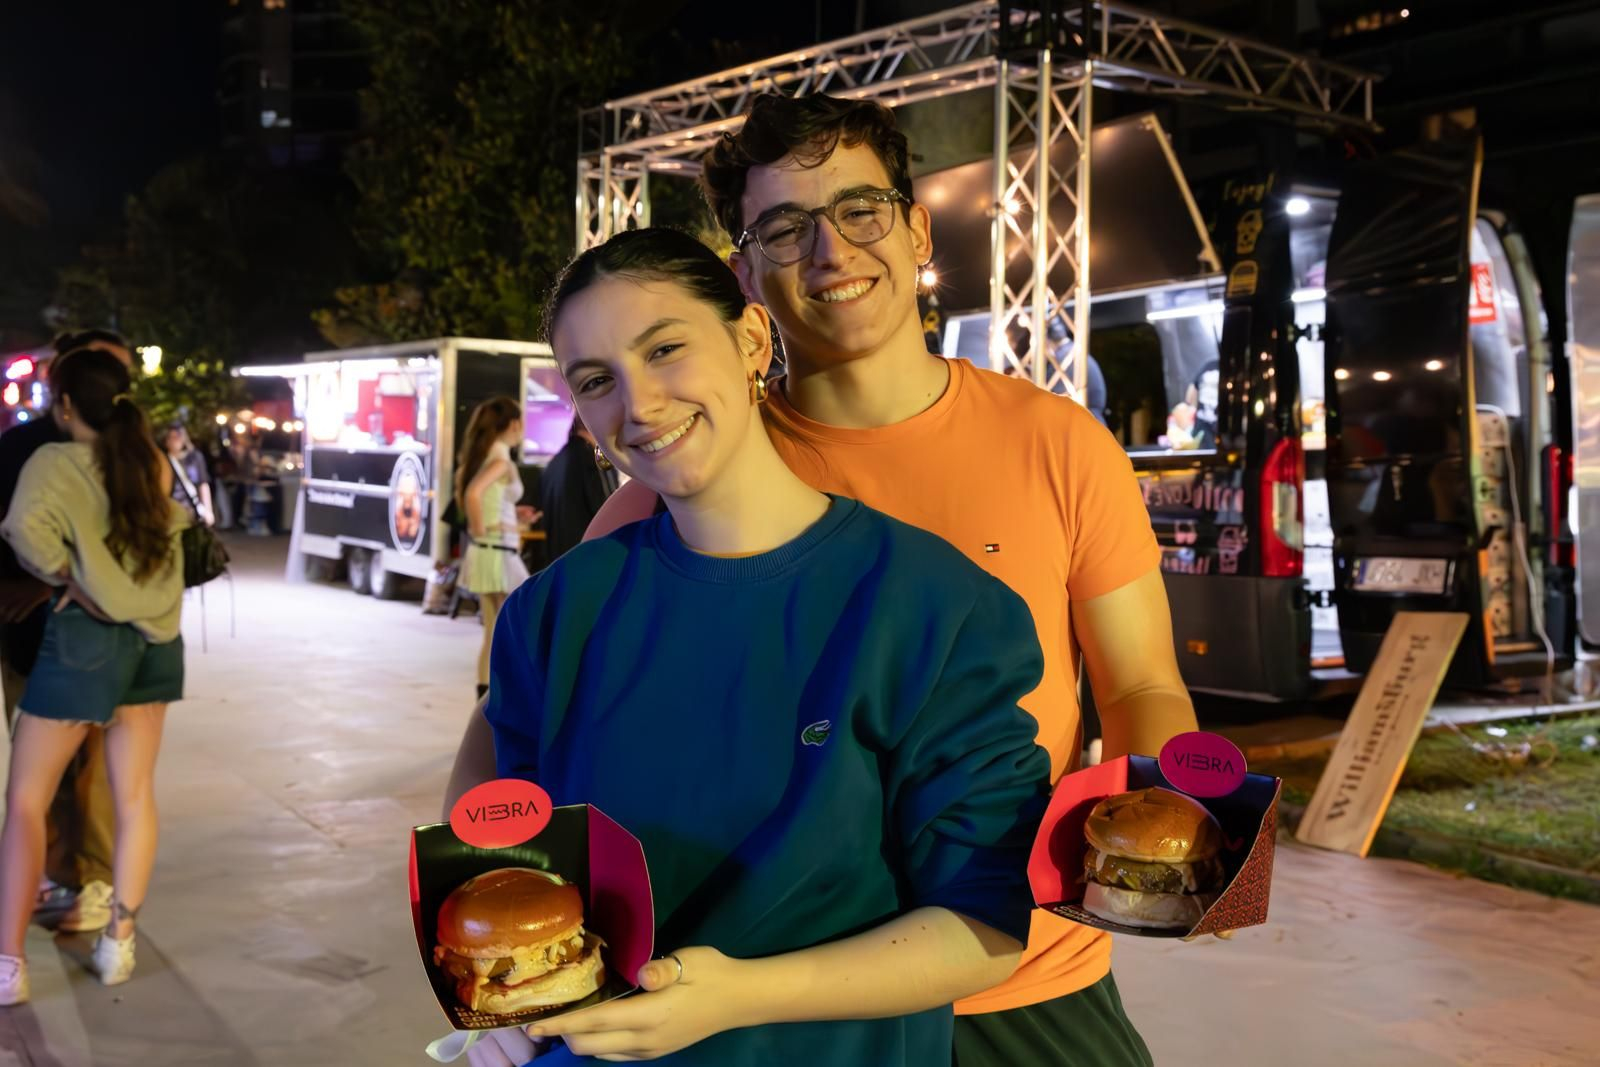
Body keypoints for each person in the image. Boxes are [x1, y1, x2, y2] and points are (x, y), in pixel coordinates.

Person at [587, 93, 1196, 1065]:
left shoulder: (1058, 445)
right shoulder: (688, 477)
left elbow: (1140, 685)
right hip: (785, 998)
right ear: (744, 273)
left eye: (859, 211)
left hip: (1025, 974)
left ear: (916, 227)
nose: (830, 254)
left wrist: (1167, 815)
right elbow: (539, 705)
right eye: (783, 229)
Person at [467, 226, 1048, 1067]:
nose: (640, 405)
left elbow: (987, 923)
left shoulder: (929, 605)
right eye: (597, 381)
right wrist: (498, 999)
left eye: (664, 348)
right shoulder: (558, 609)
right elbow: (494, 814)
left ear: (749, 338)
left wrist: (738, 995)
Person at [0, 349, 187, 1004]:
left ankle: (8, 963)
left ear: (67, 405)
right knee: (134, 794)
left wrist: (66, 580)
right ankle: (119, 943)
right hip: (156, 641)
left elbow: (24, 529)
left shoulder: (54, 460)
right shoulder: (150, 459)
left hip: (85, 639)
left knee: (25, 798)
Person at [0, 330, 131, 938]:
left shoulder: (127, 453)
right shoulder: (27, 448)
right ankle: (60, 878)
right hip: (34, 636)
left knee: (94, 773)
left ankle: (93, 881)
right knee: (45, 778)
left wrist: (52, 581)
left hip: (104, 640)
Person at [455, 397, 530, 701]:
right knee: (514, 626)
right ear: (513, 424)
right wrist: (484, 528)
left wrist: (506, 520)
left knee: (495, 630)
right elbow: (474, 494)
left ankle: (487, 699)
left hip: (492, 550)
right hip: (497, 552)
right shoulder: (500, 461)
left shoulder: (486, 457)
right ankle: (497, 698)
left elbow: (479, 495)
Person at [537, 415, 617, 561]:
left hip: (558, 562)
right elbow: (608, 511)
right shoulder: (592, 460)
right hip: (589, 559)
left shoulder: (554, 463)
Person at [164, 422, 215, 526]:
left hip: (191, 506)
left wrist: (208, 509)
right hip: (171, 508)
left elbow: (203, 483)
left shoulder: (195, 457)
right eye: (171, 437)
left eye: (177, 437)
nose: (174, 441)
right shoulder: (164, 460)